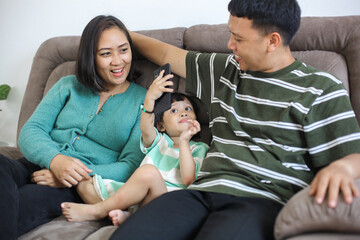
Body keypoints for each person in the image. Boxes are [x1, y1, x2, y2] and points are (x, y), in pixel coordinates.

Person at [108, 1, 360, 239]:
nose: (230, 45)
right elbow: (166, 52)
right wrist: (120, 33)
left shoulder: (320, 89)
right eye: (231, 34)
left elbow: (353, 155)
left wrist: (344, 167)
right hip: (200, 193)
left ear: (272, 41)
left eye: (238, 39)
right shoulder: (226, 70)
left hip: (261, 200)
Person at [0, 15, 148, 239]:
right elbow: (31, 130)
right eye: (106, 53)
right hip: (35, 163)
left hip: (75, 185)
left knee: (22, 202)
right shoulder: (68, 85)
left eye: (123, 50)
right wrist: (56, 160)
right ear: (91, 57)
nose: (118, 61)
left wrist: (71, 173)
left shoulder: (144, 102)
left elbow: (130, 166)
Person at [60, 73, 209, 225]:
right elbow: (145, 127)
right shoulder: (159, 141)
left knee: (149, 172)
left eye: (188, 108)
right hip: (139, 196)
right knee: (85, 185)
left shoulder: (199, 148)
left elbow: (189, 179)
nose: (183, 112)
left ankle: (98, 211)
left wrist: (184, 141)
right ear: (161, 126)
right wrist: (150, 98)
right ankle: (130, 216)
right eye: (174, 111)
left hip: (166, 201)